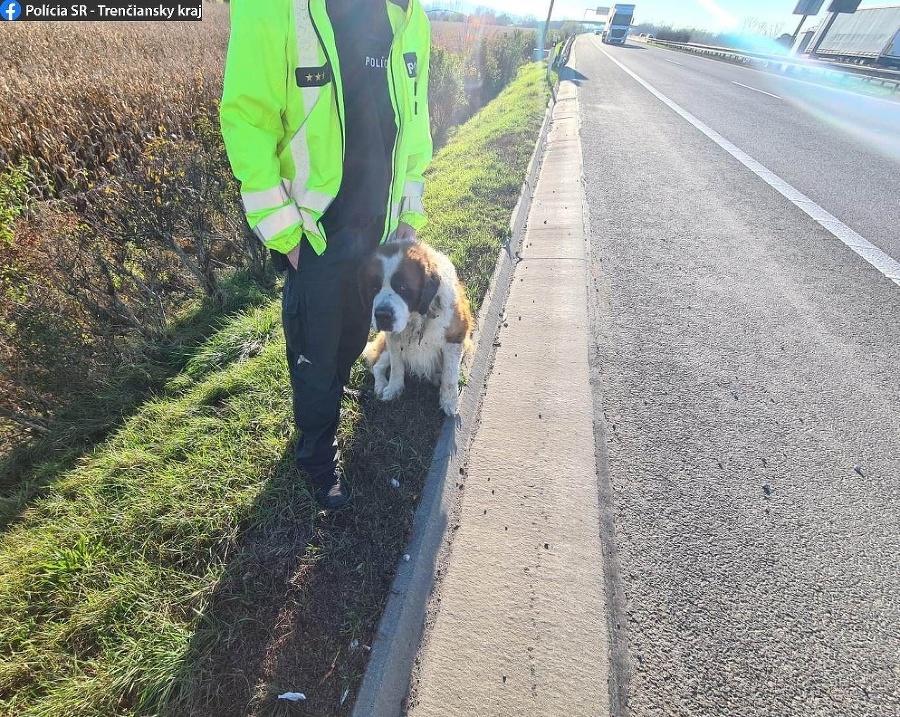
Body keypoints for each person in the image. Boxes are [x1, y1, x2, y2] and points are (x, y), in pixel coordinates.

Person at [220, 0, 433, 509]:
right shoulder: (271, 7)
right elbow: (247, 121)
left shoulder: (410, 16)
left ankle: (331, 403)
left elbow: (415, 126)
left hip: (378, 236)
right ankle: (316, 457)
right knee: (314, 357)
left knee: (350, 339)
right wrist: (284, 234)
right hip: (314, 235)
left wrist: (406, 215)